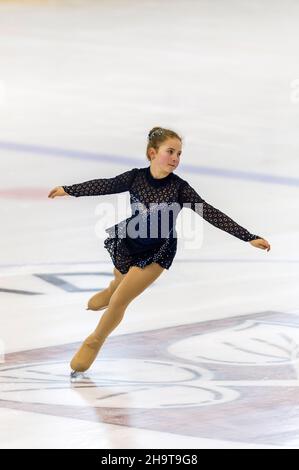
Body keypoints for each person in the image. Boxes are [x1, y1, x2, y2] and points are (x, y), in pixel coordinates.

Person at [48, 126, 271, 375]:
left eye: (179, 153)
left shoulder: (180, 189)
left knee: (122, 299)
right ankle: (110, 291)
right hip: (129, 242)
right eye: (170, 151)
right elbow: (105, 185)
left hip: (158, 251)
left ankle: (94, 341)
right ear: (152, 153)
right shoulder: (135, 177)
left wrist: (248, 237)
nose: (175, 158)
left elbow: (209, 212)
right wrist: (69, 189)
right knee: (118, 286)